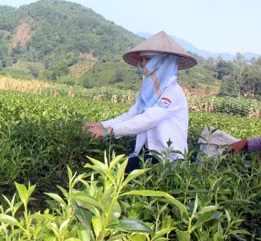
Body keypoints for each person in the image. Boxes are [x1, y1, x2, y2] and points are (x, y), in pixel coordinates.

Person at [84, 31, 197, 173]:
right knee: (115, 170)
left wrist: (109, 131)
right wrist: (101, 125)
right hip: (148, 154)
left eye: (147, 59)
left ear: (163, 61)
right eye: (141, 59)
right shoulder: (150, 92)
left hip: (167, 158)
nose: (142, 63)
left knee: (113, 173)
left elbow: (148, 119)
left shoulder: (173, 92)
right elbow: (131, 115)